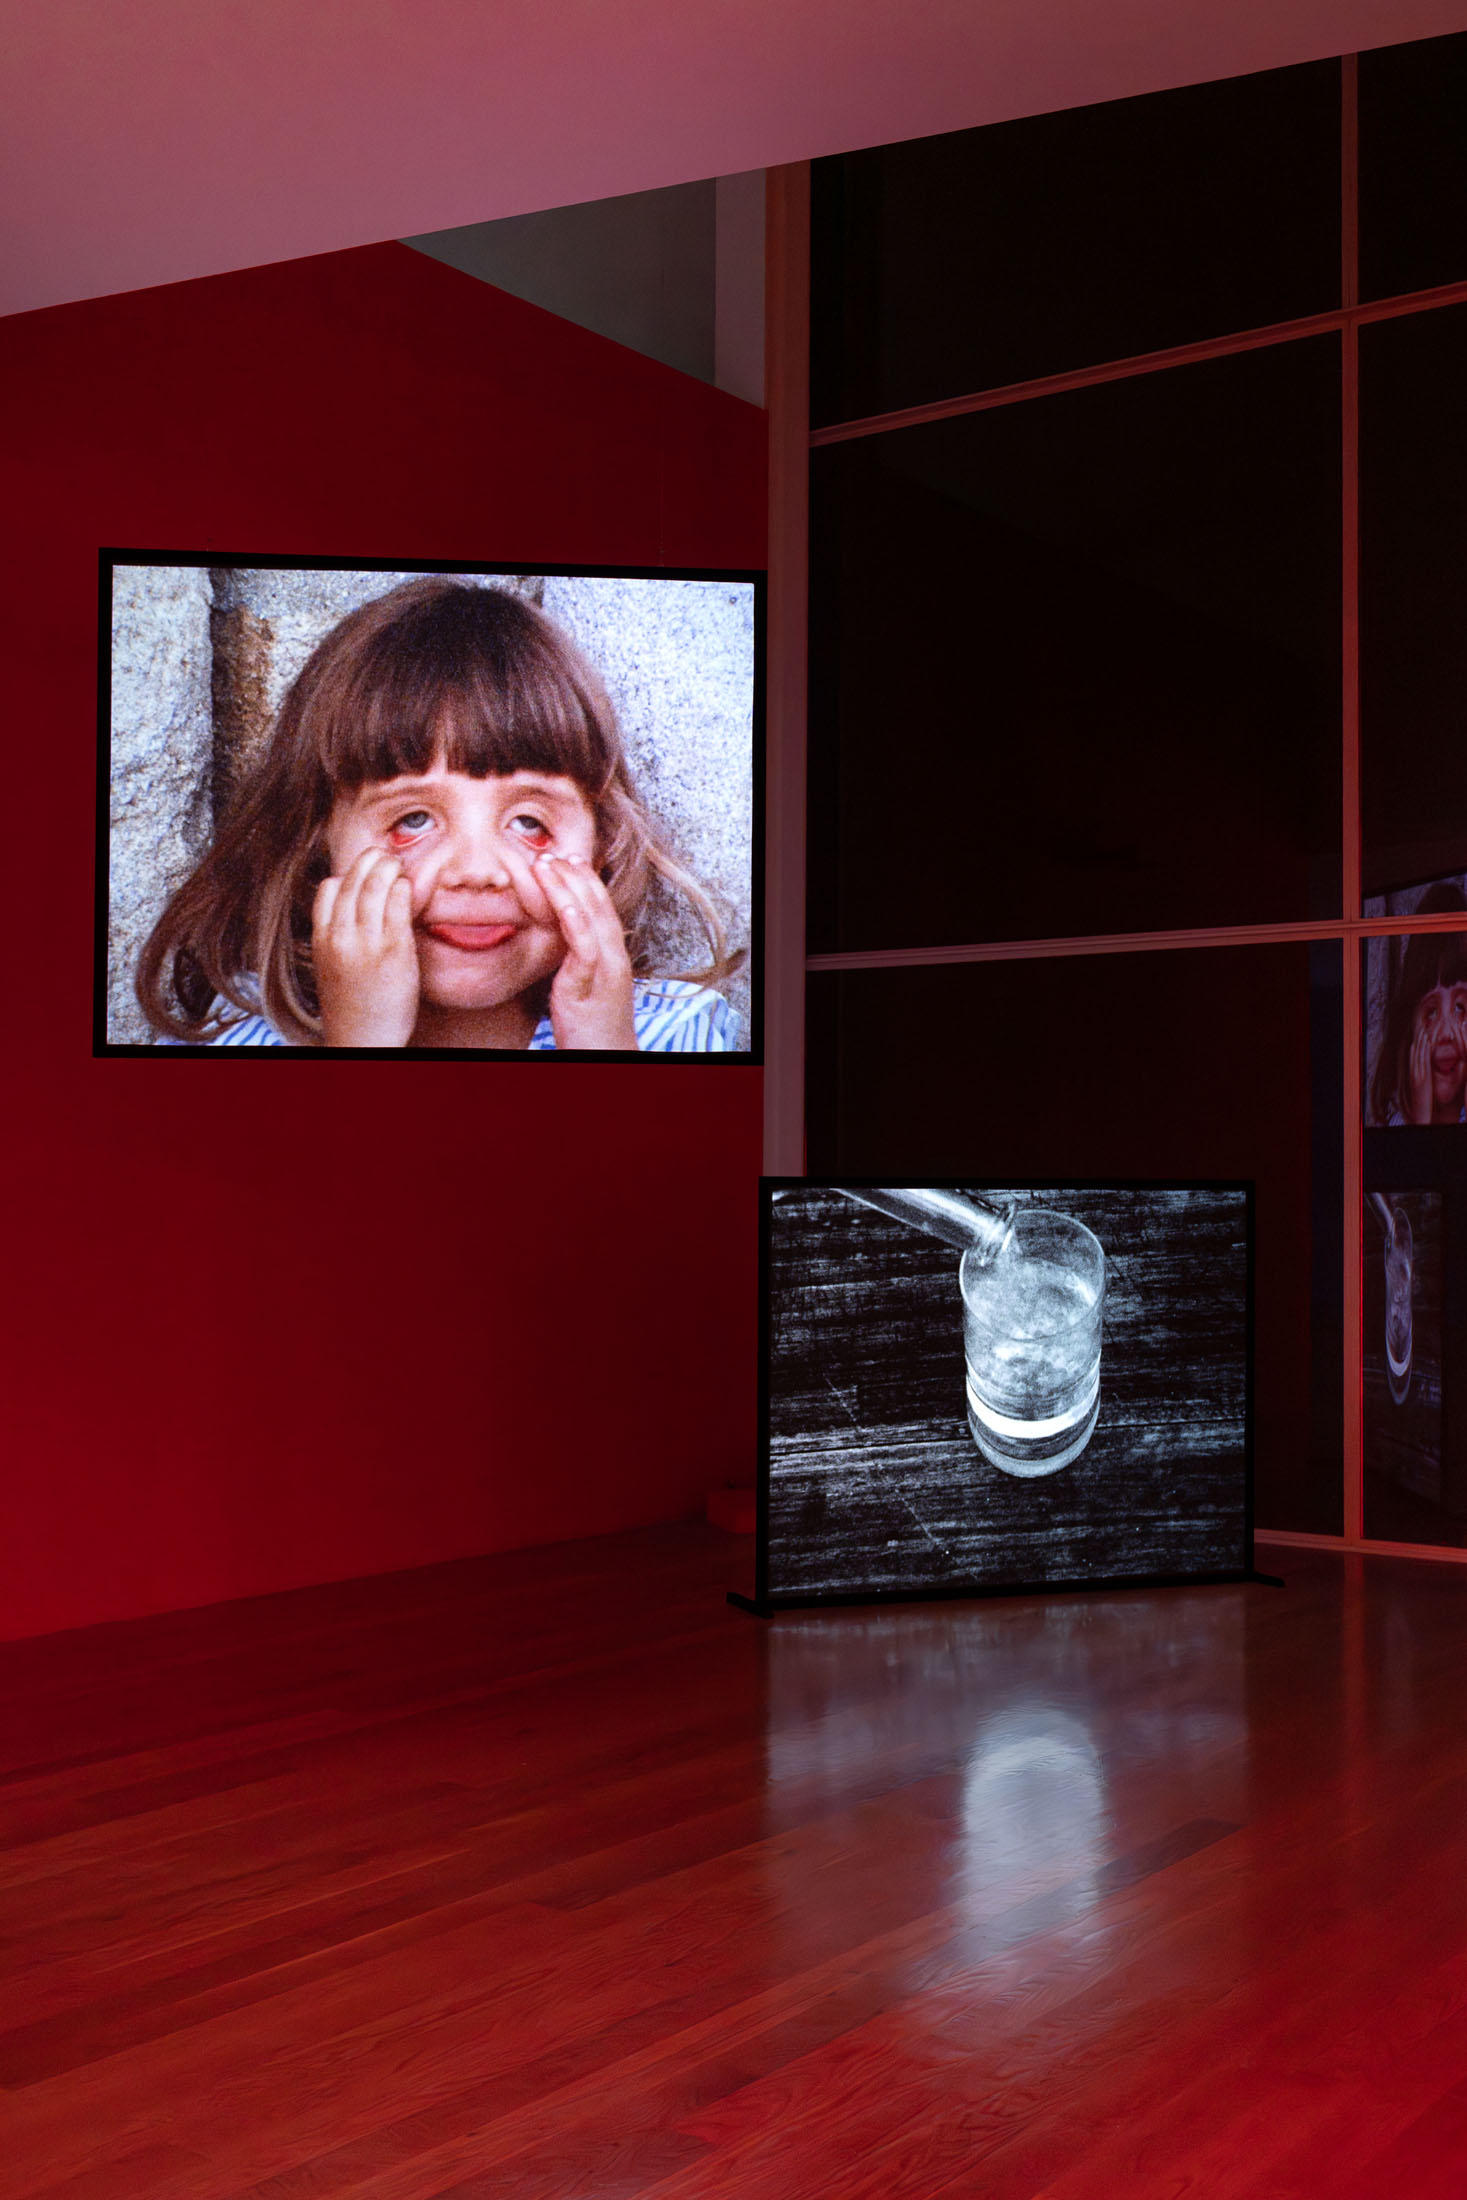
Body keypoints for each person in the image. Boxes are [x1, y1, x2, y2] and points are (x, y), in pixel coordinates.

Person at [136, 578, 741, 1051]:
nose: (477, 872)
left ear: (603, 844)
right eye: (413, 821)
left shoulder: (670, 1033)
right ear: (320, 844)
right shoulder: (240, 1039)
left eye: (530, 823)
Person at [1369, 884, 1467, 1125]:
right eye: (1431, 1012)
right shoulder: (1395, 1124)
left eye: (1460, 1008)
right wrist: (1421, 1123)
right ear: (1410, 1026)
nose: (1446, 1033)